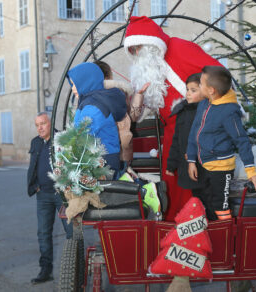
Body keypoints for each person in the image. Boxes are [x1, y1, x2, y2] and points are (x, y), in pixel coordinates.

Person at [124, 16, 222, 221]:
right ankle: (177, 228)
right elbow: (138, 113)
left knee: (194, 184)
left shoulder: (180, 48)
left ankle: (197, 227)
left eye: (138, 47)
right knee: (174, 183)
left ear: (151, 44)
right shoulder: (148, 71)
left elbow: (218, 78)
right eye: (132, 49)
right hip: (173, 135)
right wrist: (139, 96)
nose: (136, 54)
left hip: (197, 129)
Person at [187, 66, 256, 220]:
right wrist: (191, 159)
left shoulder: (229, 112)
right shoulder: (204, 104)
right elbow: (194, 132)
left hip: (221, 168)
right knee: (205, 203)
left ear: (211, 90)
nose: (199, 86)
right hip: (203, 164)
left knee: (219, 205)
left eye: (201, 83)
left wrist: (252, 172)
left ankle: (227, 237)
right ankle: (209, 237)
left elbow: (242, 140)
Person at [93, 60, 162, 216]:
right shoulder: (119, 92)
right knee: (119, 182)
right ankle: (143, 192)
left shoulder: (95, 95)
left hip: (105, 149)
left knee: (114, 186)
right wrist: (139, 95)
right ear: (109, 73)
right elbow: (132, 116)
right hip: (122, 148)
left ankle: (144, 190)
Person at [27, 112, 73, 284]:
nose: (40, 127)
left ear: (50, 123)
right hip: (43, 195)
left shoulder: (61, 139)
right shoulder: (35, 142)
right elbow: (33, 166)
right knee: (43, 233)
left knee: (71, 232)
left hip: (62, 194)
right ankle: (45, 270)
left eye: (43, 123)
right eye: (37, 124)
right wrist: (35, 186)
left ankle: (76, 267)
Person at [165, 73, 216, 220]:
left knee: (211, 199)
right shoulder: (183, 112)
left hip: (207, 166)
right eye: (187, 90)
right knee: (198, 198)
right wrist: (171, 164)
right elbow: (177, 140)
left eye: (193, 90)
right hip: (189, 165)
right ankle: (204, 228)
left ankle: (216, 227)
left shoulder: (209, 111)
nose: (188, 94)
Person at [67, 62, 127, 178]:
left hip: (100, 166)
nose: (73, 88)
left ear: (86, 82)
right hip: (100, 162)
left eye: (75, 84)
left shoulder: (93, 107)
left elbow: (80, 139)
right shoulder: (90, 102)